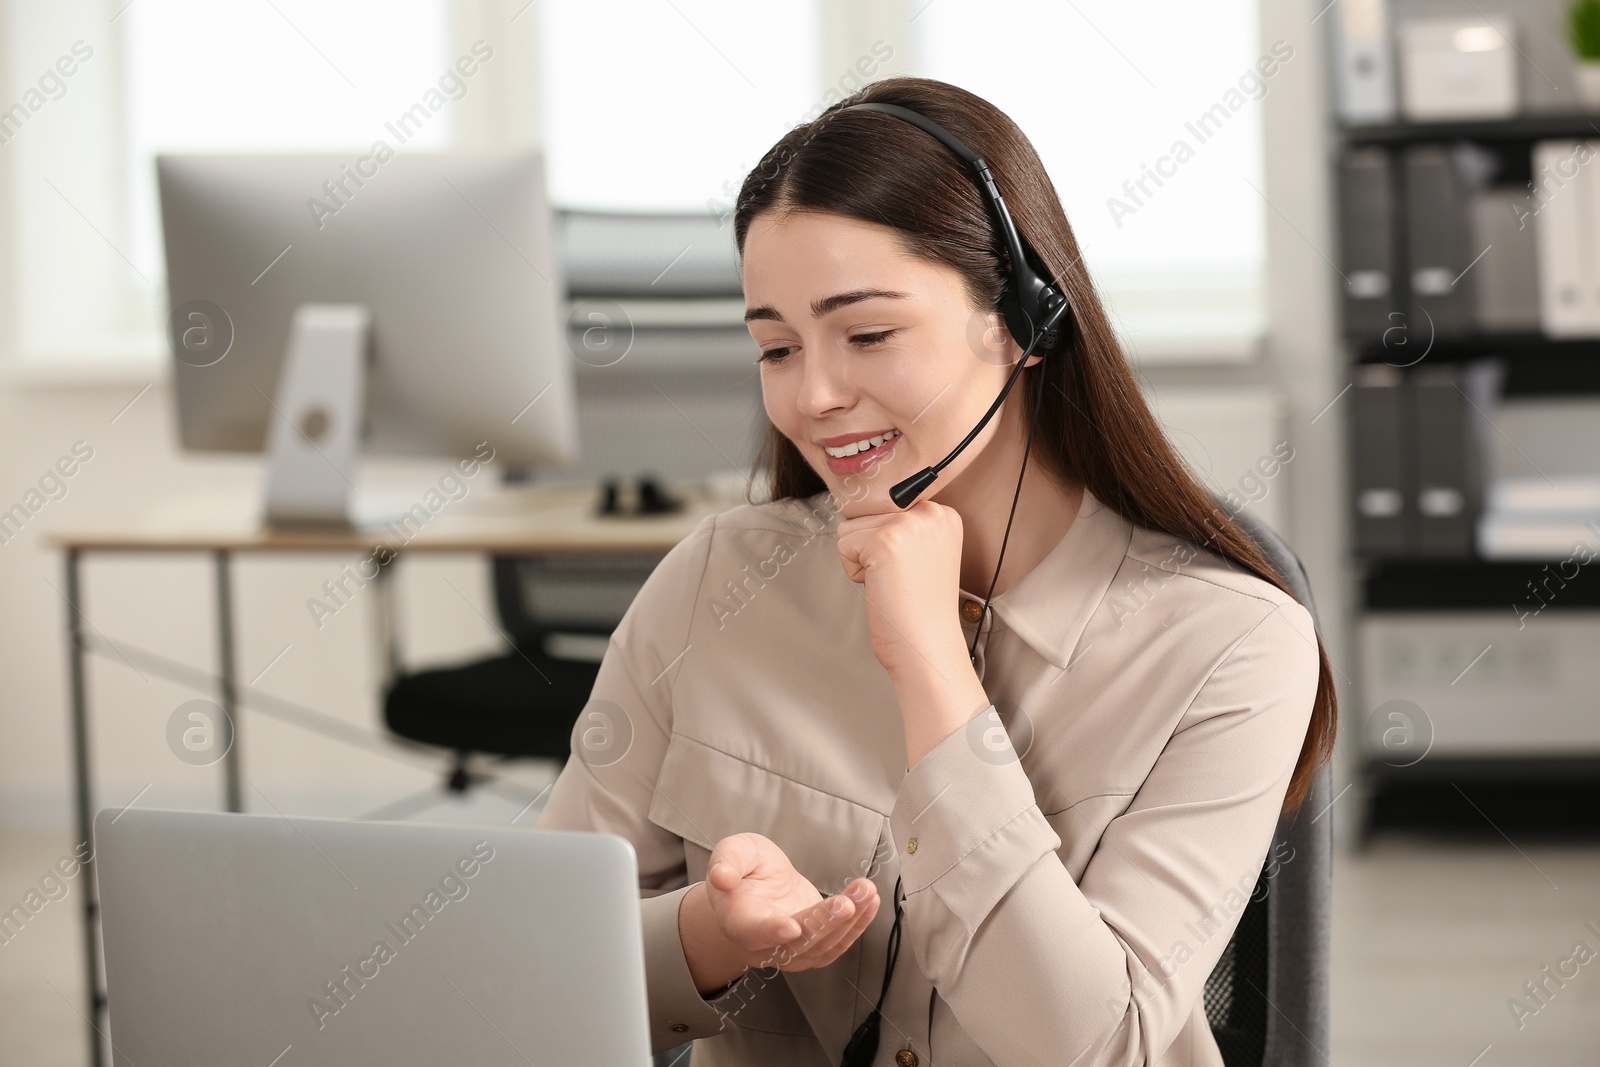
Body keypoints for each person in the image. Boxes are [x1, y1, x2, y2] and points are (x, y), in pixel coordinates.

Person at [534, 75, 1336, 1067]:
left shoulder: (1231, 642)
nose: (815, 394)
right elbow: (533, 963)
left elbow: (1095, 1047)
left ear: (1026, 318)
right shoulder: (717, 582)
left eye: (867, 333)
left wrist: (928, 663)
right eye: (776, 346)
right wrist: (708, 938)